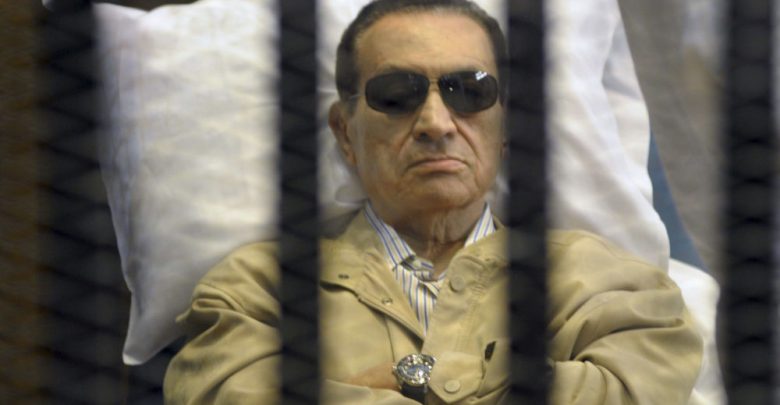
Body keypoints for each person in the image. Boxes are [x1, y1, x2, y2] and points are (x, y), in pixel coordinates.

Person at [163, 0, 702, 403]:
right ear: (346, 133)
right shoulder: (256, 289)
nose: (436, 124)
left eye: (469, 90)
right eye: (396, 95)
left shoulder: (607, 284)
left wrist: (404, 381)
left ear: (506, 128)